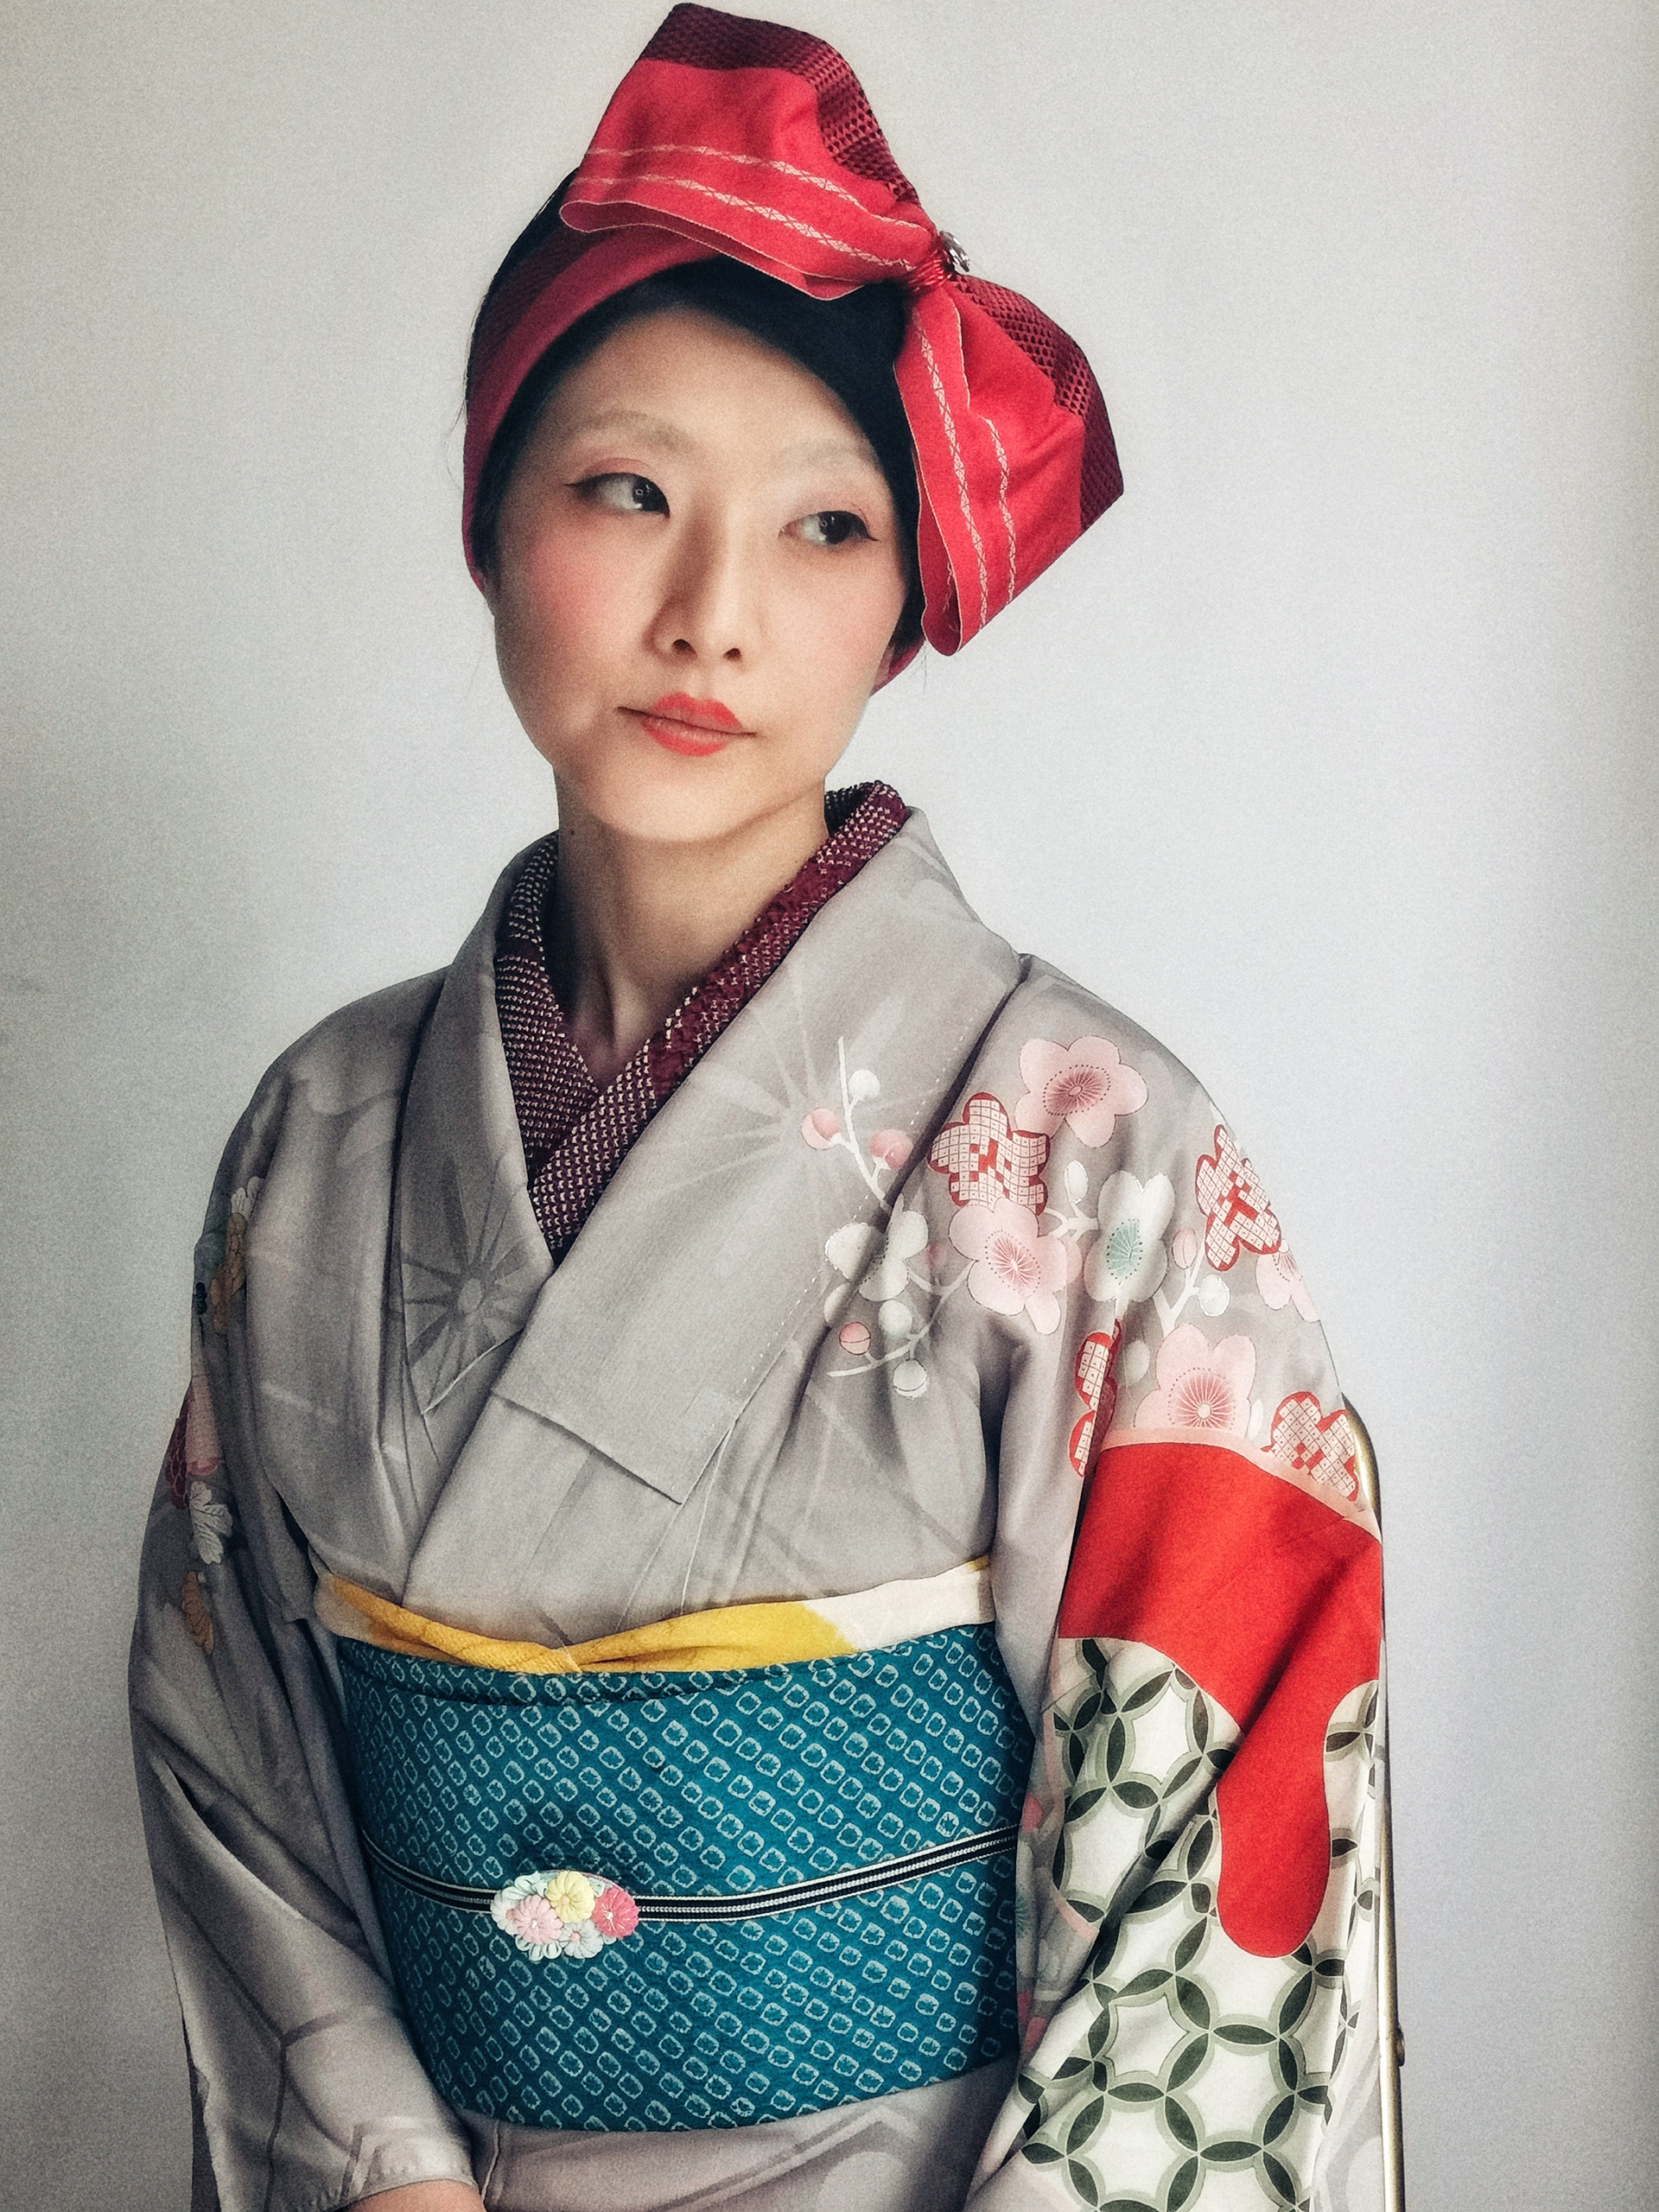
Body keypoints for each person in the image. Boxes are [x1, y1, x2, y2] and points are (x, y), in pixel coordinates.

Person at [130, 10, 1386, 2210]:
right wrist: (389, 2168)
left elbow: (1222, 1840)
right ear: (489, 520)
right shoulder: (316, 1138)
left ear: (900, 607)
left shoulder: (1087, 1147)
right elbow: (234, 1736)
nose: (712, 616)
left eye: (823, 526)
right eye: (628, 492)